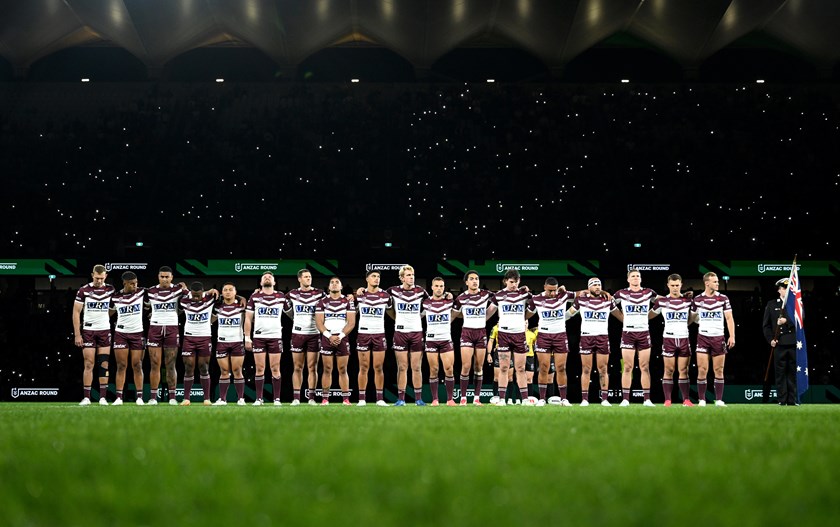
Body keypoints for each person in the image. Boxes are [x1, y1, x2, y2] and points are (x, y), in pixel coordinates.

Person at [567, 278, 618, 406]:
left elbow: (619, 315)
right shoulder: (581, 300)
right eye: (594, 285)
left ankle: (605, 399)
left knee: (603, 369)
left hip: (602, 337)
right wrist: (556, 319)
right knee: (586, 369)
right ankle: (584, 399)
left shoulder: (608, 300)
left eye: (599, 285)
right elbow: (568, 315)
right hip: (586, 337)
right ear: (588, 287)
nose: (597, 287)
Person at [527, 277, 576, 406]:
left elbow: (583, 293)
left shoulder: (564, 295)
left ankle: (564, 399)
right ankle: (542, 399)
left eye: (554, 290)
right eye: (550, 291)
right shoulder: (536, 299)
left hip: (560, 335)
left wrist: (604, 293)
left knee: (561, 368)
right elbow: (527, 314)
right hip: (543, 335)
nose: (553, 293)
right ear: (544, 287)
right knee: (543, 368)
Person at [613, 268, 658, 407]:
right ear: (628, 279)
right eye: (633, 276)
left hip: (644, 332)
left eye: (638, 276)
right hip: (628, 333)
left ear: (641, 278)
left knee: (645, 367)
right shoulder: (621, 293)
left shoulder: (649, 292)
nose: (635, 278)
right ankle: (625, 399)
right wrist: (621, 317)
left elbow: (662, 302)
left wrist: (649, 315)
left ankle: (647, 399)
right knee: (627, 367)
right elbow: (608, 303)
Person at [73, 264, 116, 405]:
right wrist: (77, 335)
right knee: (89, 363)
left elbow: (114, 308)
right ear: (92, 275)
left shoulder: (110, 289)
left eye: (102, 278)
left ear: (106, 276)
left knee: (104, 364)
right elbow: (76, 312)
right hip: (88, 331)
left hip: (104, 330)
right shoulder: (83, 290)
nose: (99, 281)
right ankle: (87, 397)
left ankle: (103, 397)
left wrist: (105, 317)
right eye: (97, 278)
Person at [452, 270, 497, 405]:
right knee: (466, 366)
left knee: (478, 367)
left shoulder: (486, 294)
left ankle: (476, 398)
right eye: (471, 279)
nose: (474, 281)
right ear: (466, 282)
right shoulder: (461, 298)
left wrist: (485, 319)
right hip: (467, 333)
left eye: (476, 278)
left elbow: (500, 298)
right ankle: (464, 398)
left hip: (481, 333)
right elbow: (453, 315)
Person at [691, 272, 735, 407]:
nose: (717, 283)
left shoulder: (723, 299)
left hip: (718, 337)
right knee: (702, 369)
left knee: (719, 369)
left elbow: (729, 318)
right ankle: (702, 400)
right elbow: (692, 319)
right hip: (703, 337)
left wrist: (732, 335)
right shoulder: (697, 299)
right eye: (715, 281)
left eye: (717, 281)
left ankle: (719, 400)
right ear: (707, 283)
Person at [387, 265, 428, 406]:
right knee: (402, 367)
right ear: (402, 277)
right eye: (408, 275)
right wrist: (362, 291)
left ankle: (418, 399)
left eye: (413, 274)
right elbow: (384, 305)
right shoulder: (392, 291)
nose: (411, 277)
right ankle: (401, 399)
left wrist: (448, 296)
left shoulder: (421, 291)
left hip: (416, 332)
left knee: (416, 367)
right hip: (400, 333)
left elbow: (433, 303)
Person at [650, 274, 694, 406]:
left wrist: (685, 325)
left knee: (684, 370)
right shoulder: (662, 301)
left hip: (684, 338)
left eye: (677, 285)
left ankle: (686, 399)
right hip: (668, 338)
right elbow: (649, 315)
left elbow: (692, 317)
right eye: (672, 285)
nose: (675, 288)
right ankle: (668, 400)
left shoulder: (688, 301)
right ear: (668, 285)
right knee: (668, 370)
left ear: (681, 285)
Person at [146, 266, 188, 405]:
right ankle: (153, 397)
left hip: (172, 328)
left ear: (171, 277)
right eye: (162, 276)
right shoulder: (151, 291)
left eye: (167, 277)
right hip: (155, 329)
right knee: (155, 364)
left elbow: (193, 298)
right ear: (158, 277)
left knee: (170, 364)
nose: (164, 279)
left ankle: (172, 398)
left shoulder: (178, 290)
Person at [285, 269, 326, 405]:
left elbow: (332, 301)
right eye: (306, 277)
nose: (309, 279)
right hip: (297, 334)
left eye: (310, 277)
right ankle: (296, 398)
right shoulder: (292, 294)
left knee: (312, 367)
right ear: (299, 279)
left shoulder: (320, 293)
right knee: (297, 367)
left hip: (314, 334)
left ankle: (311, 398)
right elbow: (286, 309)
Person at [244, 272, 285, 406]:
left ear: (274, 282)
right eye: (264, 277)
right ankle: (259, 398)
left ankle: (277, 399)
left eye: (270, 277)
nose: (267, 278)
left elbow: (292, 312)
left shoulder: (281, 296)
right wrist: (247, 337)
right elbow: (248, 318)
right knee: (259, 368)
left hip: (275, 336)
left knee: (275, 368)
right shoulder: (254, 297)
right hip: (259, 337)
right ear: (261, 283)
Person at [492, 269, 532, 406]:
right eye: (511, 282)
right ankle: (502, 399)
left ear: (519, 281)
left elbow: (536, 304)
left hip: (520, 334)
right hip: (504, 334)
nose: (514, 285)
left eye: (516, 282)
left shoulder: (524, 294)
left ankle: (525, 399)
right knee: (504, 368)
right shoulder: (498, 295)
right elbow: (489, 313)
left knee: (520, 368)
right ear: (505, 281)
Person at [314, 277, 356, 406]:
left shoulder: (347, 301)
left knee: (343, 369)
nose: (334, 284)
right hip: (327, 338)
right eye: (332, 282)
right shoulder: (322, 302)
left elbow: (351, 323)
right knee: (327, 369)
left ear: (341, 287)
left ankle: (345, 399)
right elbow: (319, 322)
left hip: (342, 338)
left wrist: (340, 336)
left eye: (337, 282)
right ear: (329, 287)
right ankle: (325, 399)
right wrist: (329, 335)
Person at [354, 270, 391, 406]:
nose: (376, 279)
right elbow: (352, 314)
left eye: (378, 277)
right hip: (363, 334)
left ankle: (380, 399)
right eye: (374, 276)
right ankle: (362, 399)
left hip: (379, 334)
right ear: (367, 279)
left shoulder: (385, 295)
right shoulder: (359, 295)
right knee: (363, 367)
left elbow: (392, 311)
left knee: (378, 367)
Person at [109, 271, 146, 405]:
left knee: (137, 365)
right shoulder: (115, 297)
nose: (135, 286)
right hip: (121, 334)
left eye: (136, 283)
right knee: (121, 365)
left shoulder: (142, 292)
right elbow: (108, 313)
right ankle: (119, 397)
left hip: (137, 333)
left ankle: (140, 397)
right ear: (124, 283)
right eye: (131, 284)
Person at [179, 281, 218, 406]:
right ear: (191, 293)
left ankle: (206, 398)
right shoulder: (184, 300)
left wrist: (211, 290)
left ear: (203, 292)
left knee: (204, 367)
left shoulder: (210, 299)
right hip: (189, 338)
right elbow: (183, 290)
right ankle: (186, 399)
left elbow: (228, 295)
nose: (196, 298)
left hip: (205, 337)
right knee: (188, 367)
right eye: (194, 295)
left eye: (199, 295)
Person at [763, 278, 797, 406]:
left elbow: (801, 319)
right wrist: (770, 339)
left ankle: (792, 400)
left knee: (792, 372)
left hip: (793, 343)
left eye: (788, 289)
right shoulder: (772, 304)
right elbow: (766, 326)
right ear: (779, 290)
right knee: (780, 373)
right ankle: (782, 400)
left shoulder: (795, 304)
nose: (786, 291)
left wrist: (786, 321)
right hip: (778, 343)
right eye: (784, 289)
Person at [423, 277, 456, 406]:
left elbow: (457, 312)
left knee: (449, 369)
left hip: (446, 339)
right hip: (431, 340)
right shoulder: (425, 303)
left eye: (441, 286)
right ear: (432, 287)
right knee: (434, 369)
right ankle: (435, 399)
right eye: (436, 286)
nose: (439, 288)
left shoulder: (449, 301)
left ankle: (450, 399)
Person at [214, 283, 247, 406]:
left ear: (235, 292)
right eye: (225, 290)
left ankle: (241, 399)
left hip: (237, 342)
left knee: (237, 370)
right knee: (224, 371)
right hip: (222, 342)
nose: (228, 292)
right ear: (222, 292)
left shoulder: (242, 306)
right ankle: (222, 399)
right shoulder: (217, 307)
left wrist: (241, 298)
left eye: (230, 290)